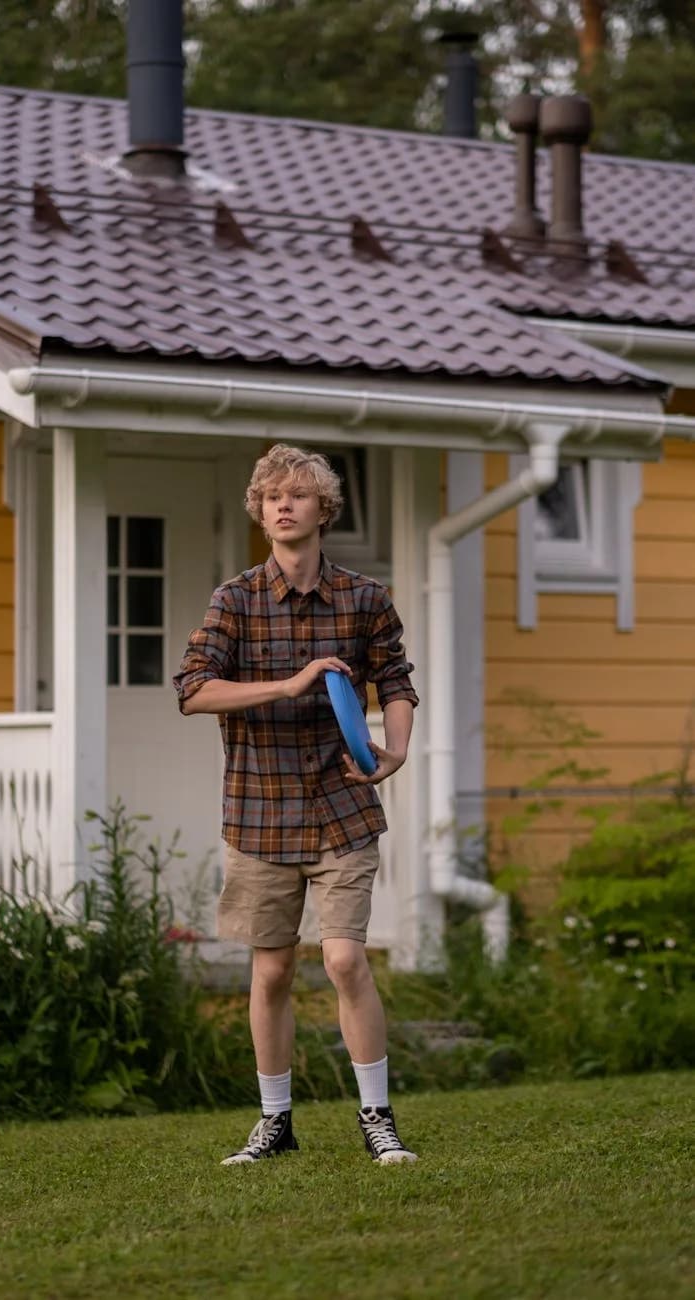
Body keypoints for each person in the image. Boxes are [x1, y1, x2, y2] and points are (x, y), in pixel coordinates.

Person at [173, 444, 419, 1166]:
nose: (283, 504)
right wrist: (286, 684)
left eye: (298, 495)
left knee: (343, 959)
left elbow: (396, 681)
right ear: (259, 510)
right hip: (257, 810)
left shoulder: (364, 598)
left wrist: (394, 750)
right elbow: (191, 690)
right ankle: (274, 1122)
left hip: (341, 805)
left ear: (323, 510)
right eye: (271, 495)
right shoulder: (235, 599)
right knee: (273, 971)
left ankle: (376, 1117)